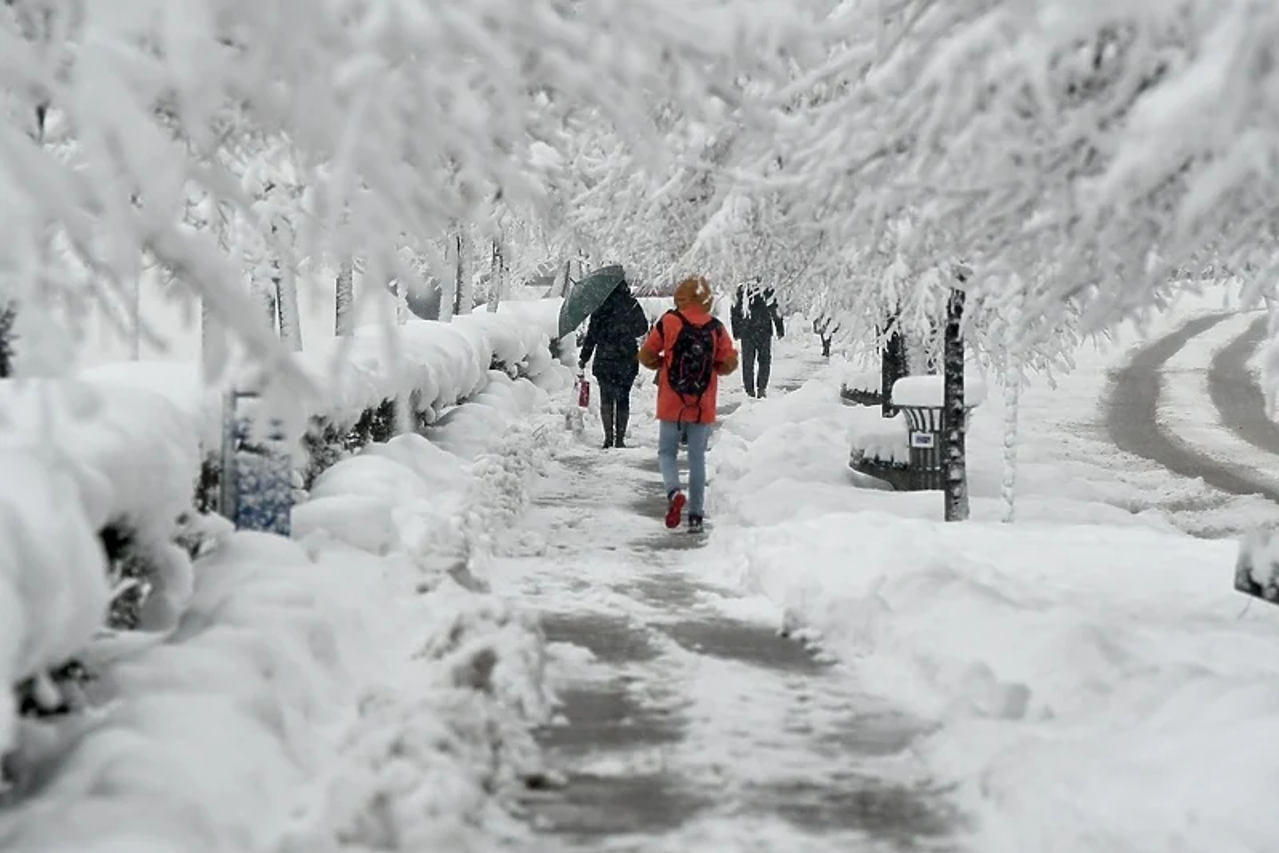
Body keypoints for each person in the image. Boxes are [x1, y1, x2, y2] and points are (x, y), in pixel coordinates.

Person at [637, 276, 738, 533]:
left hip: (672, 400)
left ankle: (674, 492)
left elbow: (646, 354)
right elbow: (729, 363)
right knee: (696, 459)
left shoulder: (669, 321)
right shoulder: (715, 327)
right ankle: (696, 515)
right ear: (707, 299)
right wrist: (713, 366)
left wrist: (663, 363)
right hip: (703, 402)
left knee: (666, 453)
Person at [579, 279, 649, 448]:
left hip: (605, 359)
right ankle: (620, 439)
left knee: (606, 398)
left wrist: (584, 357)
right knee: (623, 398)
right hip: (627, 358)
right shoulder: (632, 305)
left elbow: (592, 335)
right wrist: (627, 330)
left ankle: (608, 438)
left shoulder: (601, 307)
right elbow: (643, 328)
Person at [730, 281, 785, 397]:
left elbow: (735, 310)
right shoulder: (765, 287)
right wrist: (779, 327)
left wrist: (736, 331)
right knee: (763, 361)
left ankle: (751, 390)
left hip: (749, 331)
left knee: (748, 362)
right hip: (762, 330)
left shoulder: (744, 288)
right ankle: (760, 388)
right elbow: (774, 308)